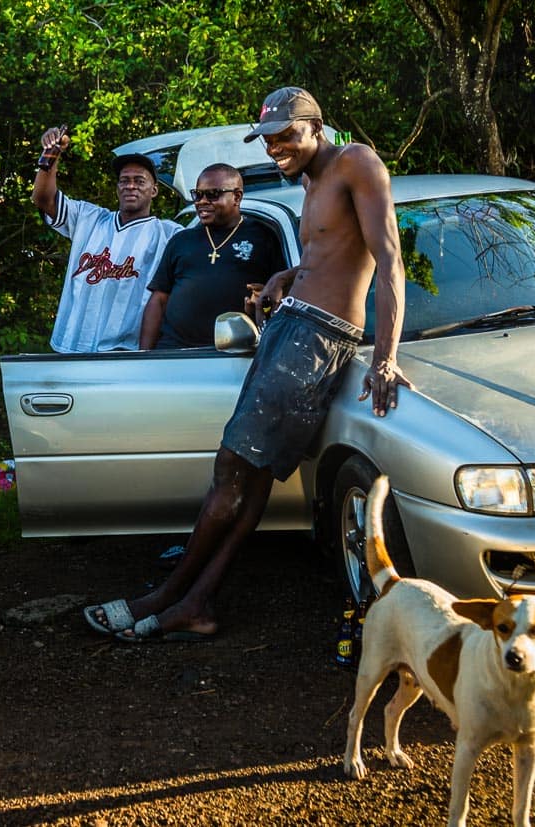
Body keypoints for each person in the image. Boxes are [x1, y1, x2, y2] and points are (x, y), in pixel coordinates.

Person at [83, 86, 413, 641]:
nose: (275, 149)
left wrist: (385, 358)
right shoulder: (310, 179)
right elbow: (326, 254)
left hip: (318, 339)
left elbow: (389, 260)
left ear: (316, 126)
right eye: (267, 140)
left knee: (228, 473)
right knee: (248, 480)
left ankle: (170, 596)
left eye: (286, 136)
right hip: (289, 326)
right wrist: (287, 278)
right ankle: (198, 601)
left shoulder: (356, 161)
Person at [32, 127, 181, 352]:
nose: (130, 186)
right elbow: (43, 198)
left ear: (154, 190)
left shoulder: (168, 234)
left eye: (140, 181)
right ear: (117, 187)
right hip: (70, 347)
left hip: (124, 355)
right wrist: (52, 155)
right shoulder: (89, 218)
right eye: (124, 180)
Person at [139, 163, 287, 349]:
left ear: (237, 197)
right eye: (197, 194)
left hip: (235, 354)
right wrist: (144, 354)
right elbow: (159, 300)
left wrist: (261, 303)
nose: (201, 201)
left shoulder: (264, 236)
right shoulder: (181, 240)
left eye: (212, 194)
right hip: (173, 352)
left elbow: (281, 297)